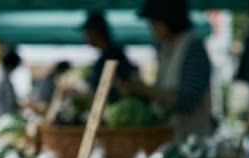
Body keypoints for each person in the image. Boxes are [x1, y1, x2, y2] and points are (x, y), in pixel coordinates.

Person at [124, 0, 213, 139]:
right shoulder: (166, 50)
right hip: (171, 137)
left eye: (154, 23)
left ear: (168, 21)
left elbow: (186, 101)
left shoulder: (193, 49)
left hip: (191, 141)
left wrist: (144, 89)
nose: (151, 27)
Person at [81, 11, 136, 100]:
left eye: (87, 33)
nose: (85, 37)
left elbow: (124, 84)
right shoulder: (106, 56)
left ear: (95, 32)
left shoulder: (114, 55)